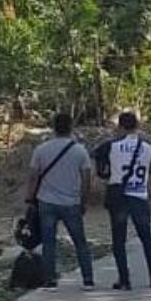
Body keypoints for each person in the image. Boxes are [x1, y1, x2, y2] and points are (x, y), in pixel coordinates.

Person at [27, 113, 95, 289]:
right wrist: (84, 201)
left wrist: (29, 198)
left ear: (53, 127)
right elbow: (87, 179)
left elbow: (33, 176)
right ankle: (88, 279)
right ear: (71, 127)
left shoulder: (41, 150)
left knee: (49, 243)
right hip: (71, 202)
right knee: (80, 242)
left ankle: (50, 280)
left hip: (46, 201)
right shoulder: (80, 151)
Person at [95, 111, 151, 290]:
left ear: (120, 126)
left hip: (119, 196)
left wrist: (106, 172)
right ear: (137, 126)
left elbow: (99, 163)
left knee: (119, 239)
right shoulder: (148, 148)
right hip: (139, 194)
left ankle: (124, 279)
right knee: (146, 237)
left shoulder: (112, 146)